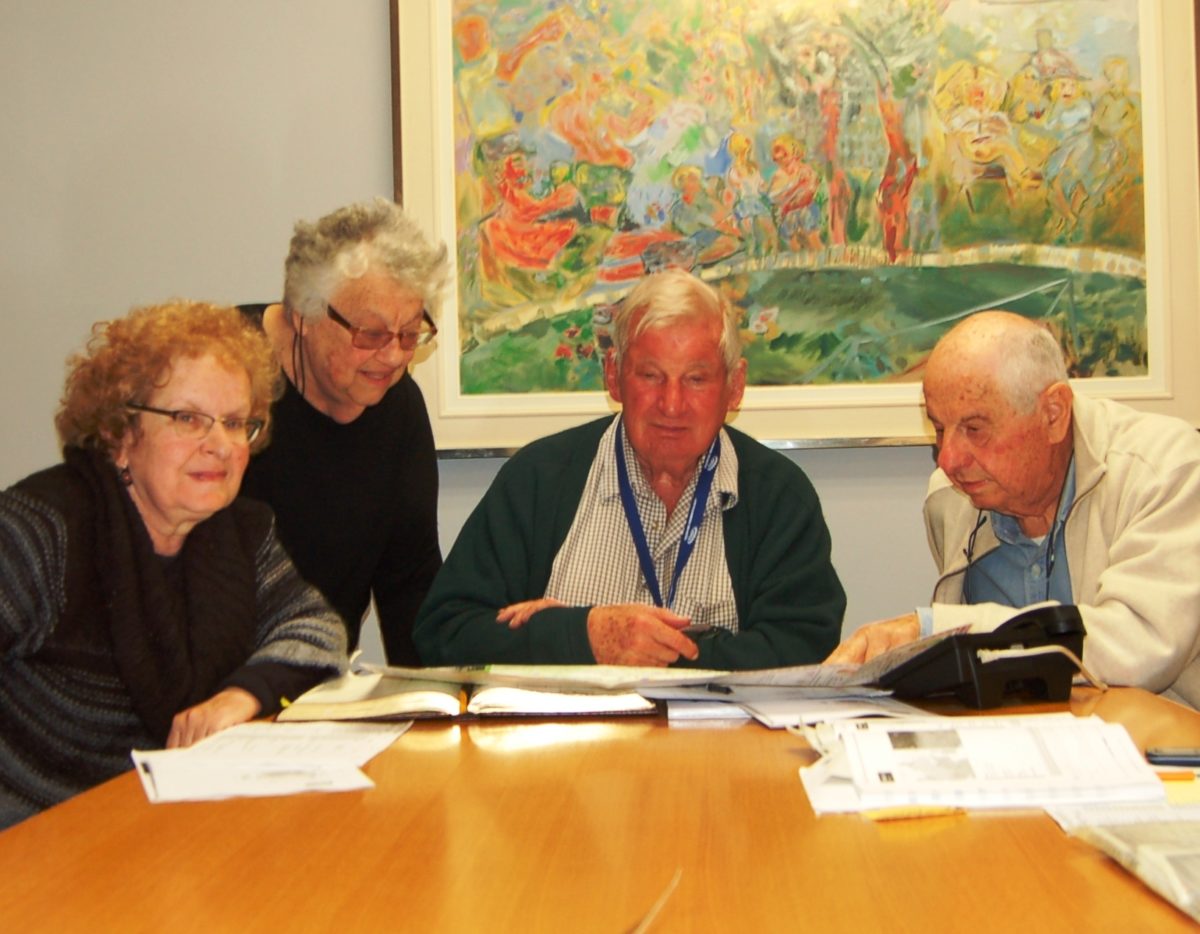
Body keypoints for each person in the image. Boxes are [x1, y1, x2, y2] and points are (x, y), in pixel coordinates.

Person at [0, 301, 346, 828]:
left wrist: (240, 696)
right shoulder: (41, 530)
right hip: (34, 842)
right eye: (188, 418)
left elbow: (316, 629)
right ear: (119, 433)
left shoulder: (242, 533)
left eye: (236, 423)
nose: (221, 445)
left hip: (165, 835)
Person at [414, 267, 845, 669]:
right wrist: (583, 634)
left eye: (696, 379)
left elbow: (806, 651)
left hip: (720, 746)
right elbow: (442, 633)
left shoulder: (779, 495)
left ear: (734, 387)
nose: (671, 404)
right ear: (614, 377)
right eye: (650, 376)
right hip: (565, 745)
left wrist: (636, 649)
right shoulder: (538, 479)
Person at [826, 311, 1200, 708]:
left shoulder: (1169, 471)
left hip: (1164, 752)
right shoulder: (951, 499)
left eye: (974, 429)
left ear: (1053, 414)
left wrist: (942, 631)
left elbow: (1139, 649)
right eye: (939, 429)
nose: (948, 460)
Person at [239, 199, 449, 664]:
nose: (394, 357)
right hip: (205, 691)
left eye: (411, 333)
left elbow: (410, 583)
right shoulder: (220, 382)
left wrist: (438, 704)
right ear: (303, 315)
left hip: (318, 689)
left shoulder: (398, 408)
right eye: (370, 333)